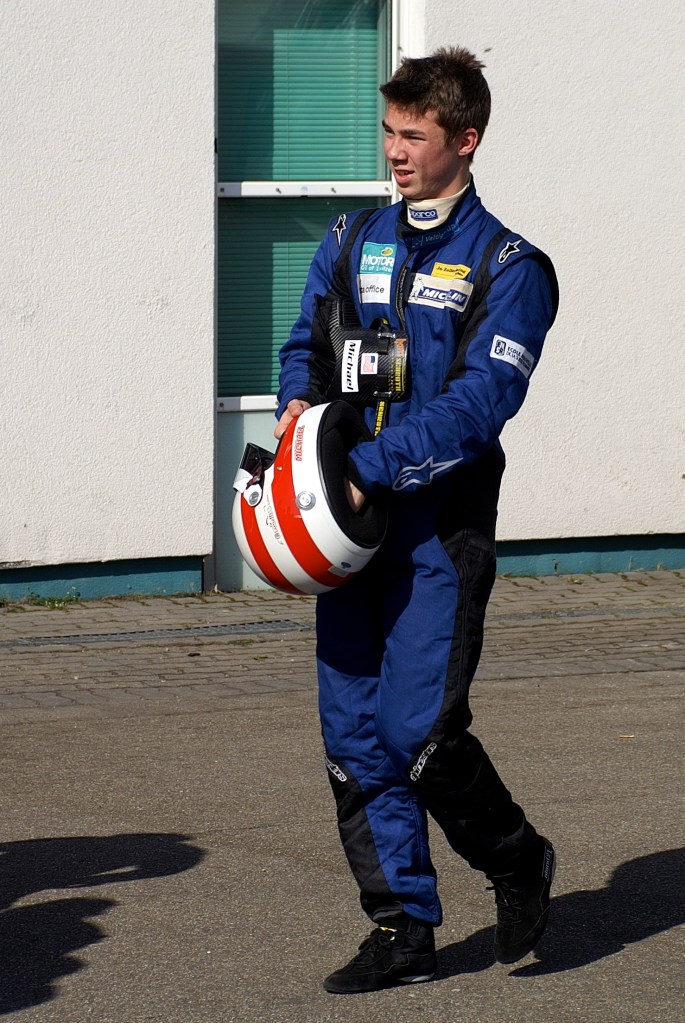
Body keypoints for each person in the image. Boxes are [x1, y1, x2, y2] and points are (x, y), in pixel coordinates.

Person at [275, 46, 559, 994]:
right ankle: (401, 928)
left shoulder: (510, 267)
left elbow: (479, 404)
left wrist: (365, 469)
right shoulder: (351, 236)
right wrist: (298, 414)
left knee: (418, 731)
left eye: (414, 135)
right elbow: (306, 345)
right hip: (345, 529)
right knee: (352, 733)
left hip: (439, 528)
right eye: (388, 132)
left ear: (464, 140)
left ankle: (516, 859)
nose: (394, 151)